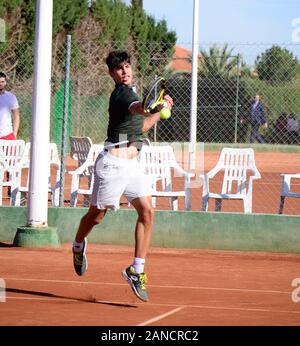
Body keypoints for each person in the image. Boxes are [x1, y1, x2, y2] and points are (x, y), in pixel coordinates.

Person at [71, 51, 173, 302]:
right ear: (112, 74)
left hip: (133, 165)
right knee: (96, 216)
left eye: (127, 66)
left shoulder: (133, 91)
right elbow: (138, 108)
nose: (124, 71)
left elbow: (140, 128)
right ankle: (77, 244)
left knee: (147, 212)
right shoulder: (122, 94)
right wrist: (153, 106)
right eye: (119, 69)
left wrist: (159, 112)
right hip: (112, 165)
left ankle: (136, 270)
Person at [0, 72, 20, 140]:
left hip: (7, 135)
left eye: (2, 81)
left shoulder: (11, 97)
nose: (0, 84)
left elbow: (16, 116)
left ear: (5, 82)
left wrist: (14, 134)